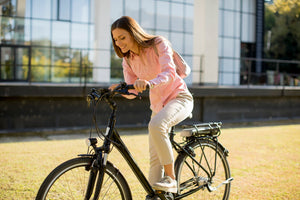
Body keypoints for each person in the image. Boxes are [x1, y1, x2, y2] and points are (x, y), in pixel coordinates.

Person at [110, 16, 194, 195]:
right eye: (115, 39)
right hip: (158, 107)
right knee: (155, 159)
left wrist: (149, 83)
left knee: (157, 125)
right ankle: (154, 196)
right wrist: (118, 89)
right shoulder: (128, 59)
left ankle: (171, 179)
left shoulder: (158, 43)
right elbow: (132, 91)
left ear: (133, 33)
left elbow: (170, 73)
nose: (119, 43)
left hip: (179, 98)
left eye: (122, 37)